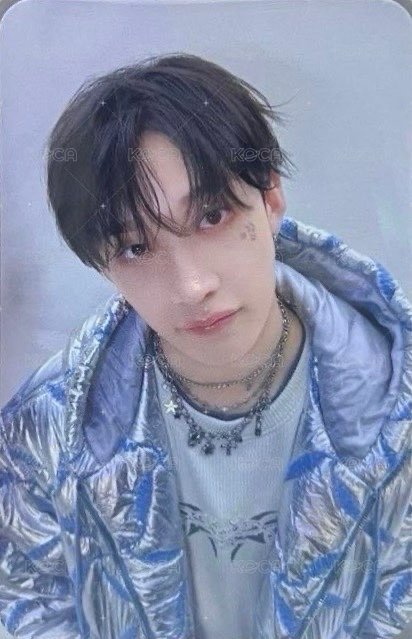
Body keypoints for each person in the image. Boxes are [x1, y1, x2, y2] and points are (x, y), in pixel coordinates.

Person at [0, 52, 411, 639]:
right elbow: (26, 608)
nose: (192, 286)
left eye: (212, 216)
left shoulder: (397, 414)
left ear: (270, 199)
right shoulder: (41, 434)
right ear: (104, 269)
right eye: (136, 249)